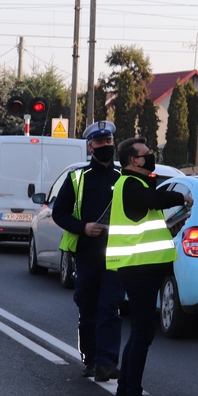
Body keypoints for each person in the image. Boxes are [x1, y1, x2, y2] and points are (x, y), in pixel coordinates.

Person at [105, 137, 191, 396]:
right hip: (139, 268)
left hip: (141, 267)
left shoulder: (133, 183)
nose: (150, 157)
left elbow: (147, 218)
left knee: (138, 334)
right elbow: (154, 200)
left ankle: (123, 394)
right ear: (134, 160)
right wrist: (182, 196)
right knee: (143, 335)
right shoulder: (131, 184)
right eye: (146, 154)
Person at [52, 120, 124, 381]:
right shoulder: (77, 178)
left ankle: (107, 362)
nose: (106, 146)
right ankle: (91, 358)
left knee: (110, 307)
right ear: (90, 147)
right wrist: (84, 227)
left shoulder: (122, 178)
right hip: (86, 253)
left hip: (115, 254)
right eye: (100, 143)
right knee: (88, 306)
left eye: (109, 142)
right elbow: (58, 213)